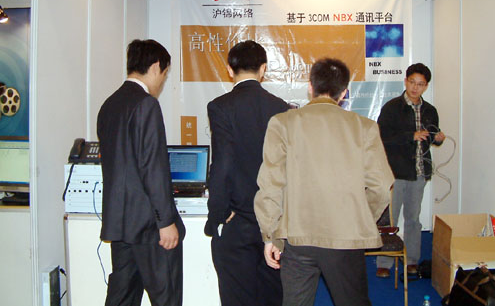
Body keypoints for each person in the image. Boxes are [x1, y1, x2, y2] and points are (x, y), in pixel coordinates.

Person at [254, 58, 394, 306]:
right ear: (344, 93)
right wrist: (359, 218)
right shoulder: (365, 127)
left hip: (297, 237)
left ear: (310, 87)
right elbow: (381, 187)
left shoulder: (282, 123)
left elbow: (271, 186)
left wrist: (270, 236)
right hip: (345, 237)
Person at [97, 39, 185, 306]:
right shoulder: (146, 104)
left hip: (121, 225)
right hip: (149, 227)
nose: (162, 81)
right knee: (166, 297)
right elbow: (152, 167)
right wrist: (165, 221)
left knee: (122, 297)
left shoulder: (109, 105)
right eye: (165, 74)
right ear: (156, 67)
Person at [205, 40, 289, 306]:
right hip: (273, 221)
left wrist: (217, 213)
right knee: (272, 295)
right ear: (263, 69)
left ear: (230, 70)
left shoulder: (220, 106)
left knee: (237, 297)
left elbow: (222, 163)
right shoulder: (281, 107)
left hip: (237, 219)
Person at [376, 63, 445, 278]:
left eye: (420, 84)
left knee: (413, 219)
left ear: (426, 86)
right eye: (412, 82)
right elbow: (381, 138)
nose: (415, 88)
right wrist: (410, 136)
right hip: (395, 173)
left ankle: (412, 261)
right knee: (390, 219)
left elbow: (431, 137)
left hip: (419, 172)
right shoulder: (392, 108)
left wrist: (438, 139)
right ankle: (385, 262)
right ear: (405, 81)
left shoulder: (430, 111)